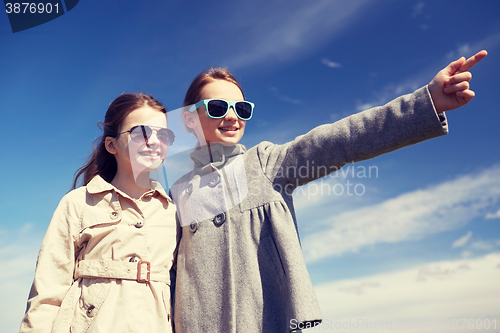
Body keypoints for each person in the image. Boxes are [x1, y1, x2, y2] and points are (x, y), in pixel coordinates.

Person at [169, 50, 487, 333]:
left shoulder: (264, 163)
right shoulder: (176, 192)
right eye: (217, 106)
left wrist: (426, 102)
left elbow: (340, 140)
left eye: (242, 108)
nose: (232, 116)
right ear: (188, 118)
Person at [20, 93, 179, 333]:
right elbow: (48, 293)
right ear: (111, 145)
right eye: (141, 132)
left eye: (164, 135)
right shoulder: (77, 203)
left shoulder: (174, 212)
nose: (155, 141)